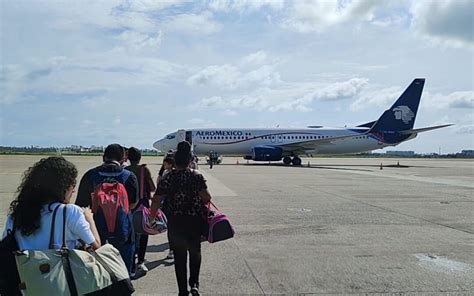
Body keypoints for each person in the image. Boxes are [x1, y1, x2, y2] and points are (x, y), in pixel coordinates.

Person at [151, 141, 211, 296]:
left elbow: (157, 199)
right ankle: (195, 284)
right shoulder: (196, 176)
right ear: (190, 160)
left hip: (175, 222)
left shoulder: (167, 177)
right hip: (194, 221)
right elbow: (206, 197)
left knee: (179, 257)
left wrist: (152, 217)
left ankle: (182, 291)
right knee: (195, 253)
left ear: (175, 162)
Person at [2, 156, 101, 251]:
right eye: (72, 185)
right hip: (56, 268)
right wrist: (89, 218)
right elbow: (96, 245)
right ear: (62, 187)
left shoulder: (15, 216)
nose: (73, 190)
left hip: (22, 267)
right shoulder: (69, 212)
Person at [76, 144, 138, 275]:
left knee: (99, 273)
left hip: (97, 232)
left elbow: (81, 205)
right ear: (123, 159)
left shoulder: (90, 175)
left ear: (104, 157)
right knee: (123, 273)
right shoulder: (129, 176)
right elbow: (133, 203)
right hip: (123, 231)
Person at [125, 147, 156, 274]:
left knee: (129, 234)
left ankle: (130, 262)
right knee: (144, 233)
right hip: (142, 205)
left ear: (128, 157)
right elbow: (153, 188)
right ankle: (141, 262)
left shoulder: (125, 171)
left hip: (127, 206)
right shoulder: (144, 170)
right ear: (139, 158)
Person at [157, 155, 176, 259]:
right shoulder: (181, 174)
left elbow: (161, 190)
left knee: (171, 229)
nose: (164, 166)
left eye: (165, 164)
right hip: (177, 205)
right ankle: (176, 249)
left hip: (168, 204)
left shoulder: (167, 174)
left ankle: (172, 250)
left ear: (170, 164)